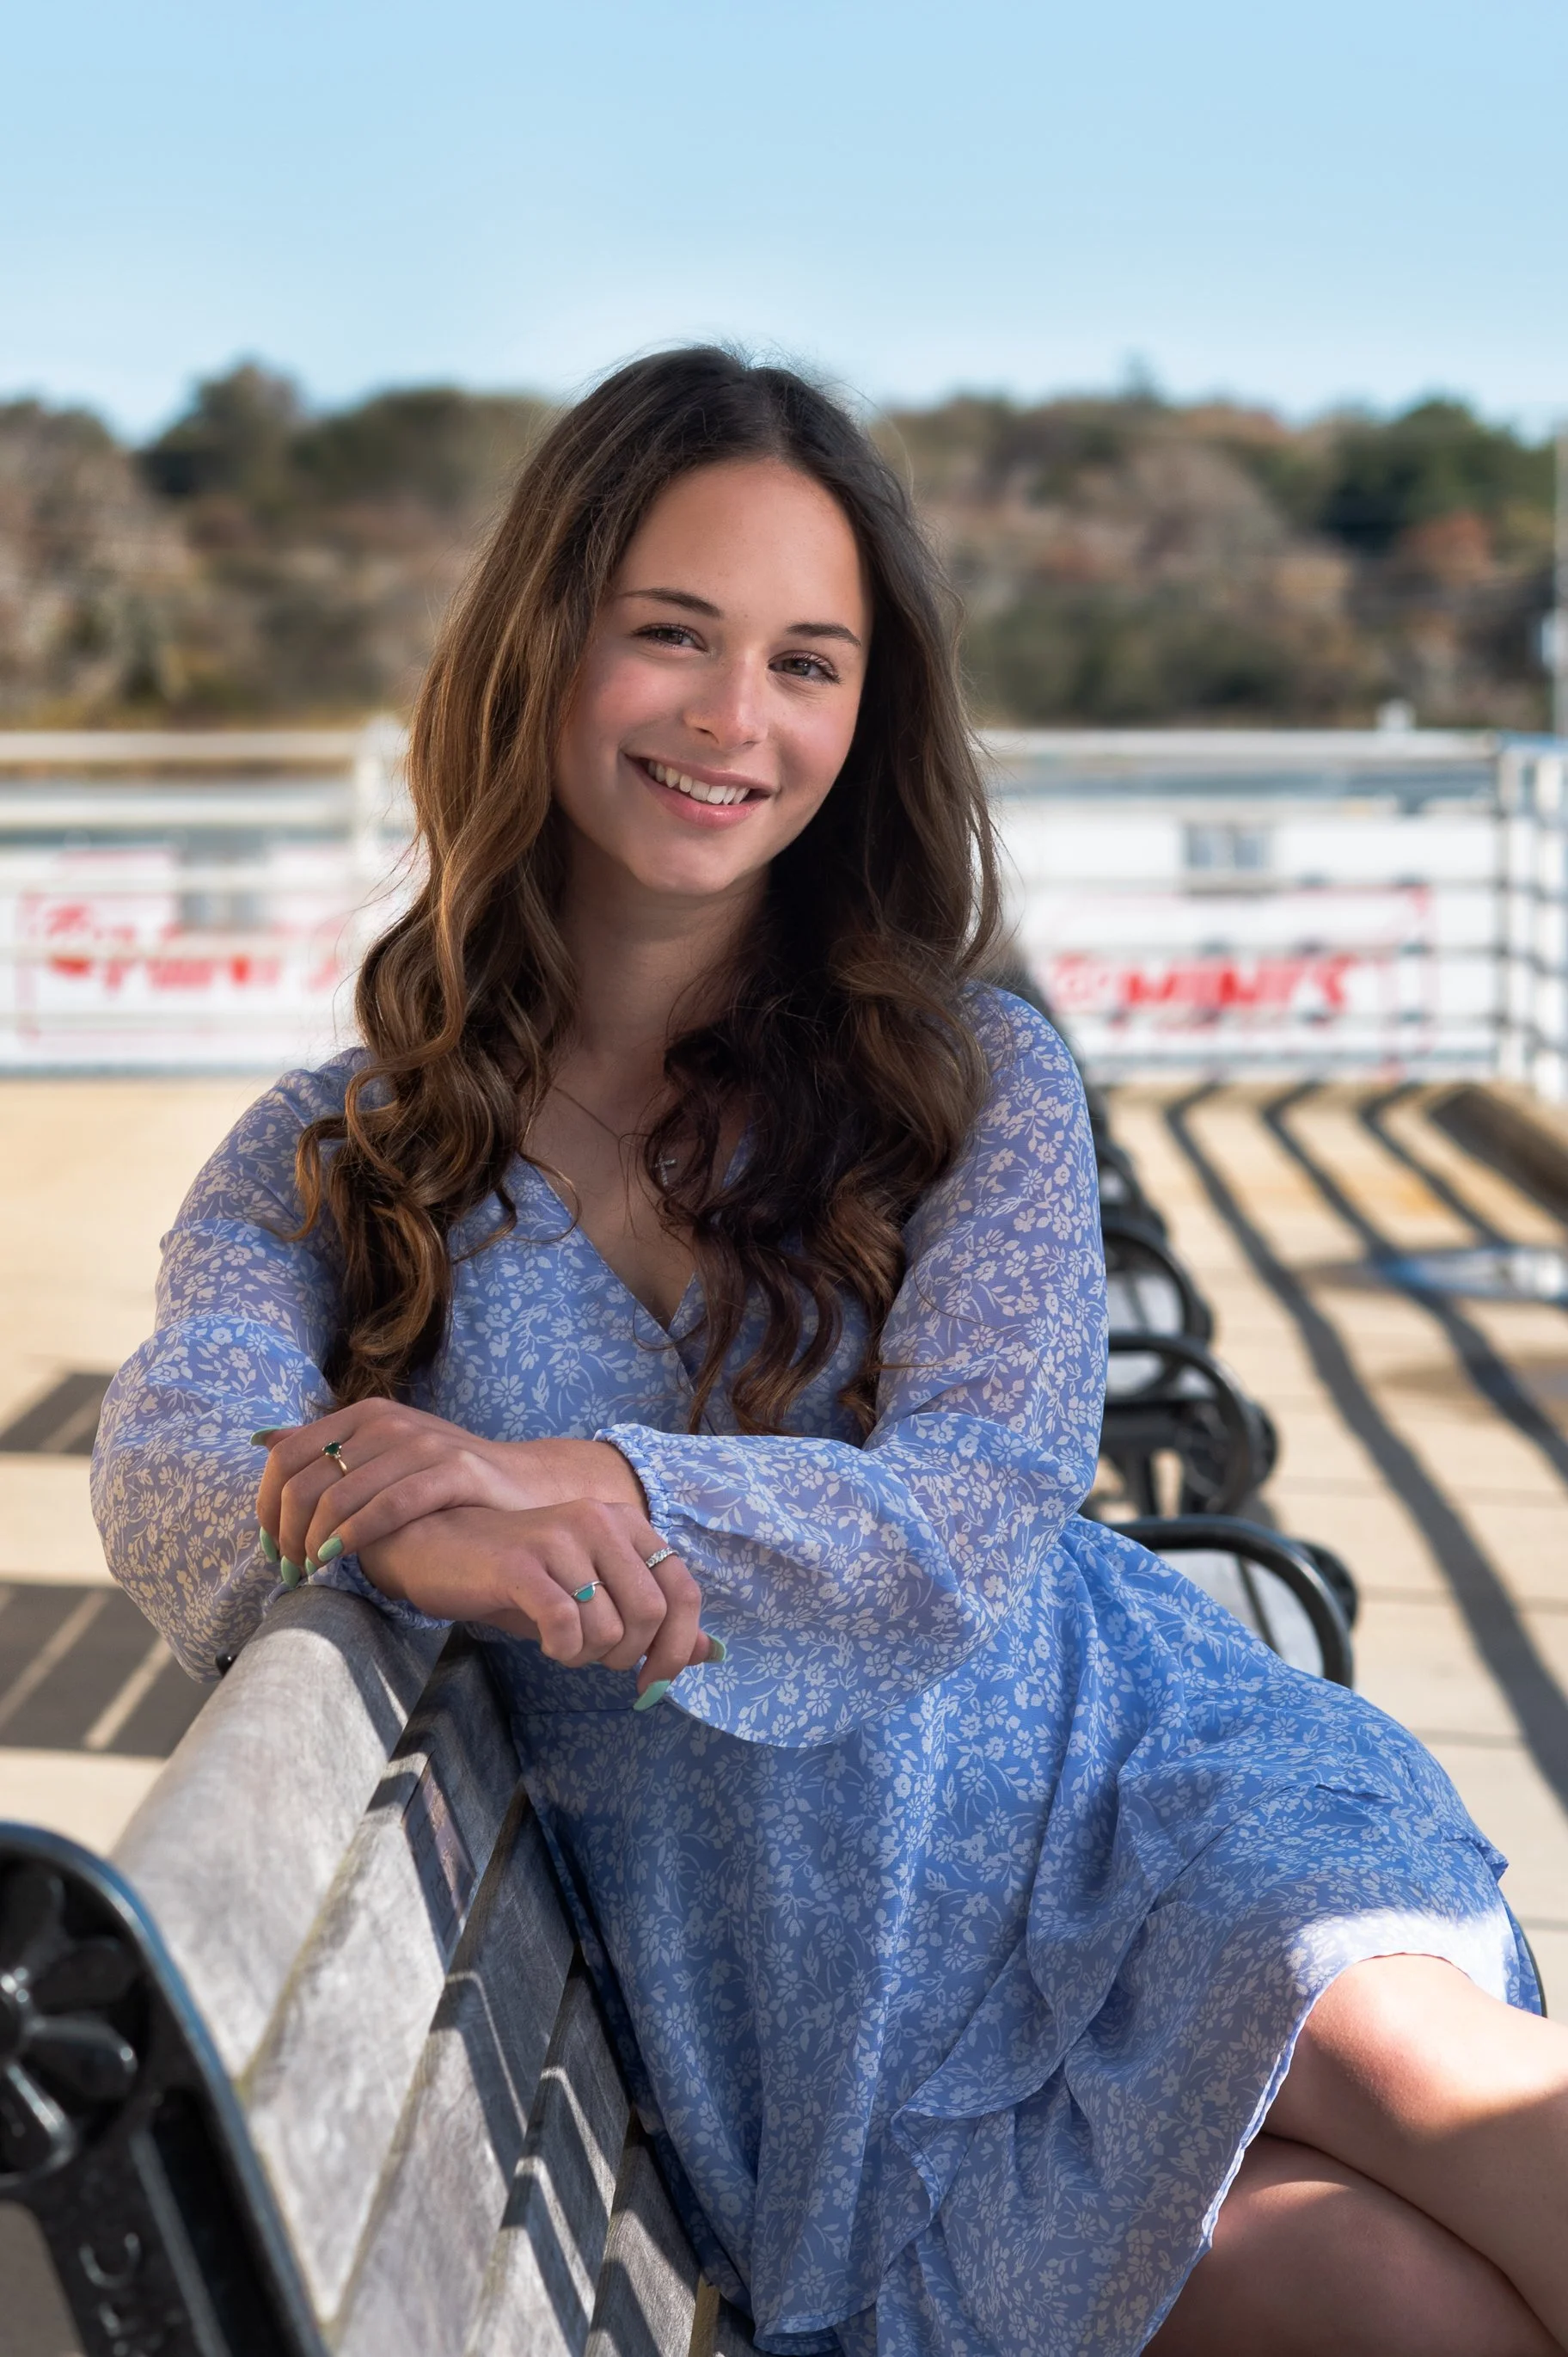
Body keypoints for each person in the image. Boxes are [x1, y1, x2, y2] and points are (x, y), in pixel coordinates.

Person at [94, 348, 1568, 2357]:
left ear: (868, 713)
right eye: (672, 637)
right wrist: (379, 1533)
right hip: (848, 2077)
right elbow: (172, 1453)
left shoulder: (970, 1081)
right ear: (541, 651)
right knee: (1411, 2307)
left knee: (1454, 2090)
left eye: (808, 660)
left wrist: (602, 1483)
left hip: (1141, 1816)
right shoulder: (337, 1151)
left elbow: (975, 1497)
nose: (735, 719)